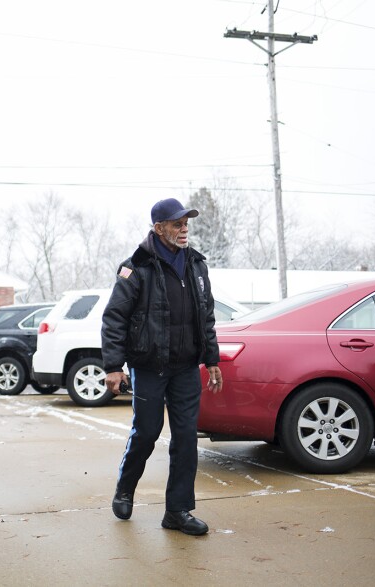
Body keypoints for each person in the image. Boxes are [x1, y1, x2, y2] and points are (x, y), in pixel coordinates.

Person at [101, 197, 222, 536]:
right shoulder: (135, 267)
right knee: (147, 433)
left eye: (186, 222)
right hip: (149, 366)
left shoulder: (197, 265)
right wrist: (114, 366)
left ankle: (178, 511)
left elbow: (206, 317)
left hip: (185, 368)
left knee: (185, 438)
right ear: (159, 228)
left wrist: (211, 357)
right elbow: (114, 318)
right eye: (177, 223)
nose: (184, 228)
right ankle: (125, 489)